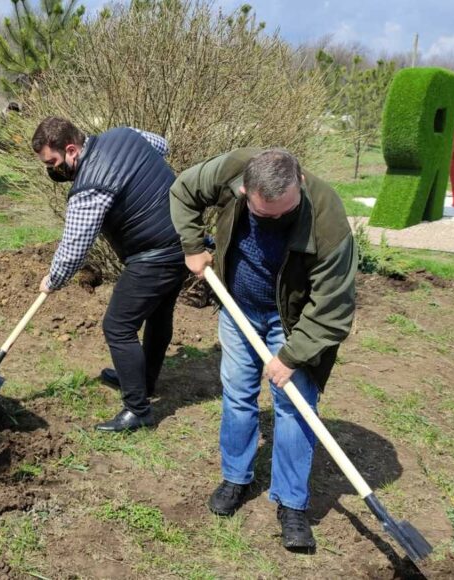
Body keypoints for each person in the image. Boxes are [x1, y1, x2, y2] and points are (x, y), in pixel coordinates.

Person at [169, 148, 357, 550]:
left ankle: (291, 503)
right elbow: (183, 189)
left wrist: (292, 356)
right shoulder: (230, 170)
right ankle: (236, 478)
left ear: (300, 184)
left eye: (283, 213)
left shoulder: (327, 217)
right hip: (237, 308)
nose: (274, 220)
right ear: (242, 190)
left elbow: (333, 307)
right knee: (237, 395)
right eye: (263, 215)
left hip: (293, 321)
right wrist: (191, 245)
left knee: (293, 404)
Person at [32, 117, 187, 432]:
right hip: (184, 242)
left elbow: (75, 248)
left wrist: (53, 280)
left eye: (53, 162)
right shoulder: (123, 134)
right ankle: (143, 380)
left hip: (154, 255)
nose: (51, 170)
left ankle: (138, 410)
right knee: (158, 317)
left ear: (72, 149)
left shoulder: (90, 186)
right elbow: (162, 145)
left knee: (118, 327)